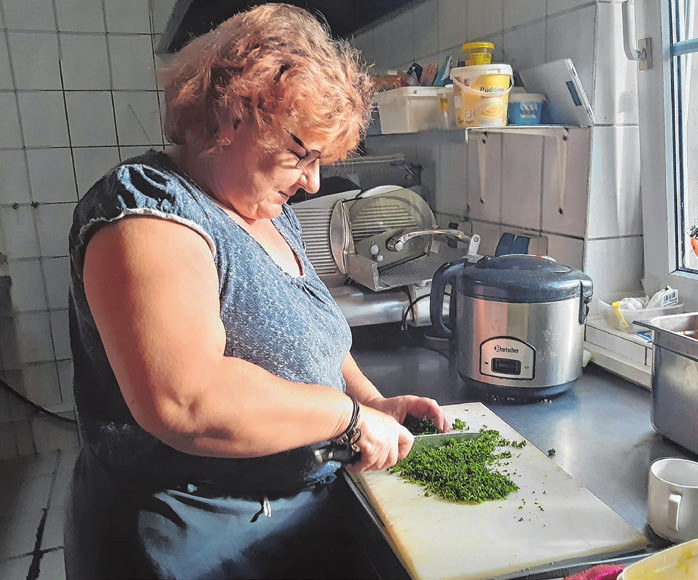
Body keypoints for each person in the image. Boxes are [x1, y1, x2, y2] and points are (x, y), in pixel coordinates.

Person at [64, 4, 448, 579]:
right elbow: (188, 401)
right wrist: (345, 419)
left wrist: (371, 403)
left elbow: (308, 330)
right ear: (233, 113)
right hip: (190, 545)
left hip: (285, 528)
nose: (314, 181)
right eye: (302, 153)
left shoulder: (266, 210)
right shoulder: (146, 212)